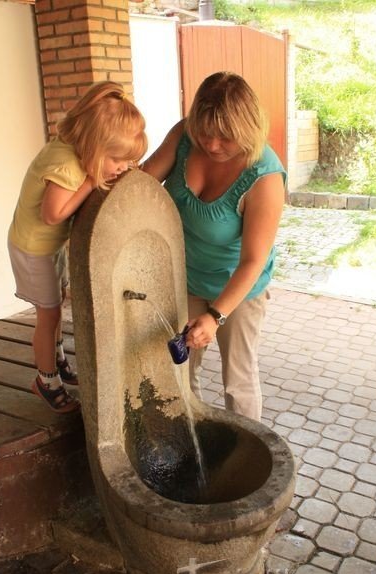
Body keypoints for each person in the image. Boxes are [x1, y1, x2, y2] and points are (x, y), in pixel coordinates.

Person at [143, 71, 286, 421]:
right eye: (205, 134)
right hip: (187, 278)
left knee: (238, 380)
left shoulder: (264, 176)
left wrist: (215, 316)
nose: (212, 145)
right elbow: (143, 183)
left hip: (238, 289)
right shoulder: (185, 135)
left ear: (247, 129)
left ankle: (246, 456)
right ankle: (189, 441)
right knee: (180, 370)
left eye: (226, 138)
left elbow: (253, 261)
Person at [8, 82, 147, 414]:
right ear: (93, 146)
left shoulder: (73, 150)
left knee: (55, 305)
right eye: (116, 159)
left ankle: (56, 361)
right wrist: (90, 181)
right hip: (33, 249)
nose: (122, 167)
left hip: (46, 245)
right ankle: (46, 381)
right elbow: (52, 214)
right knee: (49, 313)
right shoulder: (67, 166)